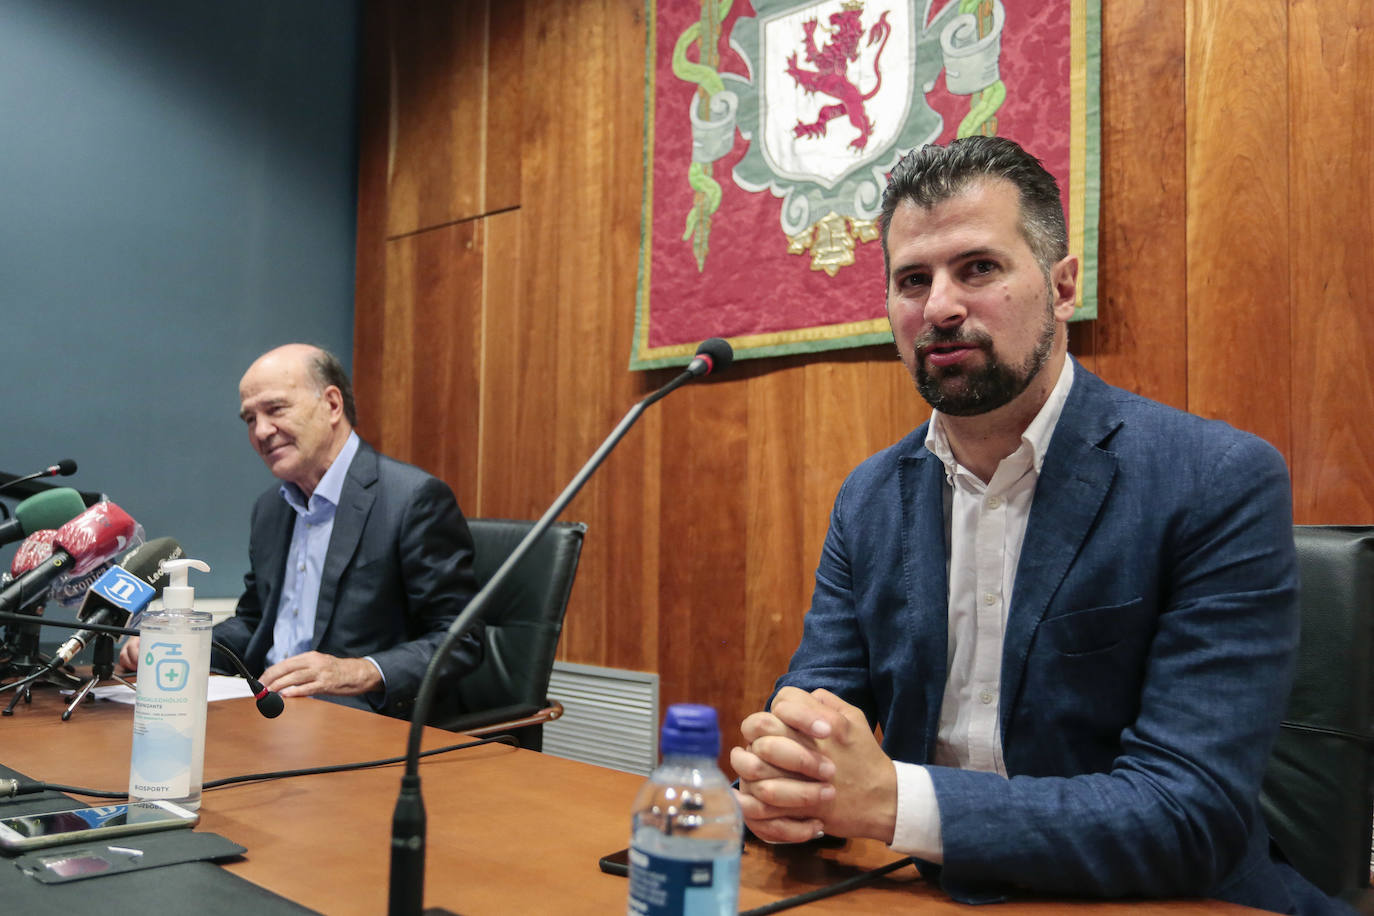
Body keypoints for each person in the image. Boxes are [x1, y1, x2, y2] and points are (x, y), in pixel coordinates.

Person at [729, 137, 1348, 914]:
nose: (941, 306)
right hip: (928, 894)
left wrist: (894, 803)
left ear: (1061, 287)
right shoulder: (870, 498)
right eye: (912, 280)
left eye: (978, 268)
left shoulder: (1215, 480)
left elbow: (1193, 815)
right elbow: (819, 719)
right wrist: (788, 780)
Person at [120, 344, 481, 719]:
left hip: (360, 722)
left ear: (332, 405)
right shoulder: (271, 509)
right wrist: (180, 647)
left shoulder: (411, 499)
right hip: (267, 711)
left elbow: (461, 640)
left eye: (275, 409)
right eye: (249, 419)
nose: (261, 431)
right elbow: (255, 623)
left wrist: (356, 670)